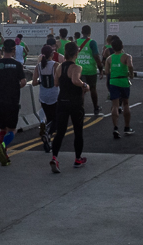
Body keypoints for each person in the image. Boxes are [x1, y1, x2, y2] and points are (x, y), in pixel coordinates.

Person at [0, 39, 26, 166]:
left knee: (2, 128)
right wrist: (14, 87)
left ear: (2, 49)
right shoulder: (18, 65)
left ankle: (5, 154)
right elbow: (23, 82)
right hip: (12, 100)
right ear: (13, 50)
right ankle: (2, 146)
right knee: (12, 130)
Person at [50, 41, 89, 172]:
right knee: (78, 131)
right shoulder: (76, 68)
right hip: (75, 102)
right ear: (76, 53)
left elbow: (56, 83)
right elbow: (75, 80)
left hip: (62, 101)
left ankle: (54, 157)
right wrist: (85, 85)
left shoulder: (59, 67)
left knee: (60, 132)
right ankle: (78, 158)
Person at [104, 36, 135, 138]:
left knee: (115, 105)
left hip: (113, 81)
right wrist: (131, 74)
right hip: (123, 80)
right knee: (126, 103)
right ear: (122, 46)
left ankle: (115, 128)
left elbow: (107, 72)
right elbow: (130, 66)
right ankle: (127, 127)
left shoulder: (109, 59)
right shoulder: (127, 56)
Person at [32, 45, 59, 153]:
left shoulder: (38, 66)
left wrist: (41, 81)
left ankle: (48, 139)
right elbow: (58, 81)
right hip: (54, 95)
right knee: (57, 119)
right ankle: (47, 134)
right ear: (52, 54)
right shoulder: (56, 65)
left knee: (49, 118)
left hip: (43, 96)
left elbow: (34, 82)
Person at [75, 25, 103, 116]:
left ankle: (80, 109)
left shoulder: (76, 42)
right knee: (93, 89)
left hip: (80, 69)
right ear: (90, 32)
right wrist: (101, 69)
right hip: (91, 70)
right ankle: (95, 107)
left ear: (82, 32)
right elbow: (96, 56)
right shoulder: (92, 42)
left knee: (81, 90)